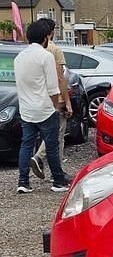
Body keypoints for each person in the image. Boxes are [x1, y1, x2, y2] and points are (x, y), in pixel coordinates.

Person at [13, 19, 72, 193]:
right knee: (52, 145)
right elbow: (53, 87)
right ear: (45, 37)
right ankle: (58, 181)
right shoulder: (46, 56)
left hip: (26, 109)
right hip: (45, 108)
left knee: (26, 145)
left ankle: (23, 182)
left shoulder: (19, 58)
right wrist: (58, 105)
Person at [29, 18, 71, 178]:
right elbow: (61, 77)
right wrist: (66, 102)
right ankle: (54, 170)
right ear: (51, 33)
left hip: (37, 98)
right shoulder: (54, 50)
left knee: (35, 136)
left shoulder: (31, 52)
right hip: (55, 98)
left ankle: (26, 176)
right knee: (57, 134)